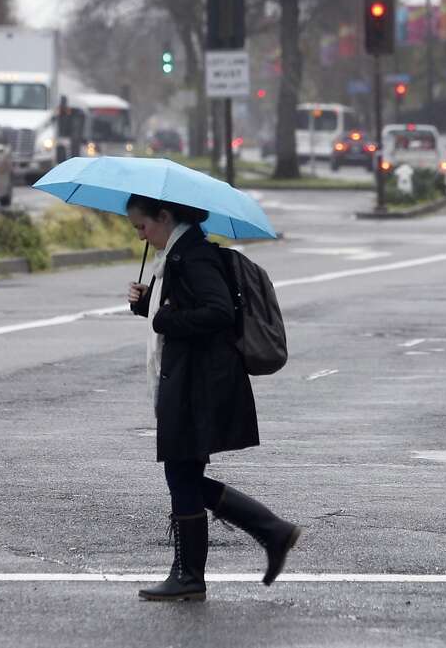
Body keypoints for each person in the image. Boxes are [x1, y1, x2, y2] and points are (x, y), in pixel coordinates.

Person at [126, 194, 301, 602]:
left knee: (180, 475)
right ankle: (270, 532)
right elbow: (178, 309)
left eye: (143, 227)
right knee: (183, 475)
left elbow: (218, 312)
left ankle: (191, 574)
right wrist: (145, 306)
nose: (141, 236)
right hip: (190, 379)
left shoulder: (193, 257)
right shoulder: (178, 255)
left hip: (198, 384)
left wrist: (164, 316)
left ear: (164, 216)